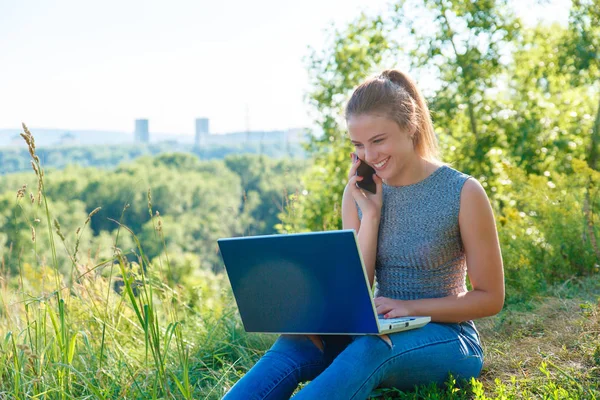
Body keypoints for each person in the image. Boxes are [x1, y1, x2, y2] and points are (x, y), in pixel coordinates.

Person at [223, 69, 505, 400]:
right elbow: (358, 284)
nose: (369, 157)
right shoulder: (358, 194)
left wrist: (409, 306)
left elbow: (490, 298)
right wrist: (370, 215)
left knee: (372, 348)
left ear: (409, 126)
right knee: (295, 343)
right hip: (380, 326)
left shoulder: (462, 191)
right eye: (358, 145)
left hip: (448, 338)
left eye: (378, 141)